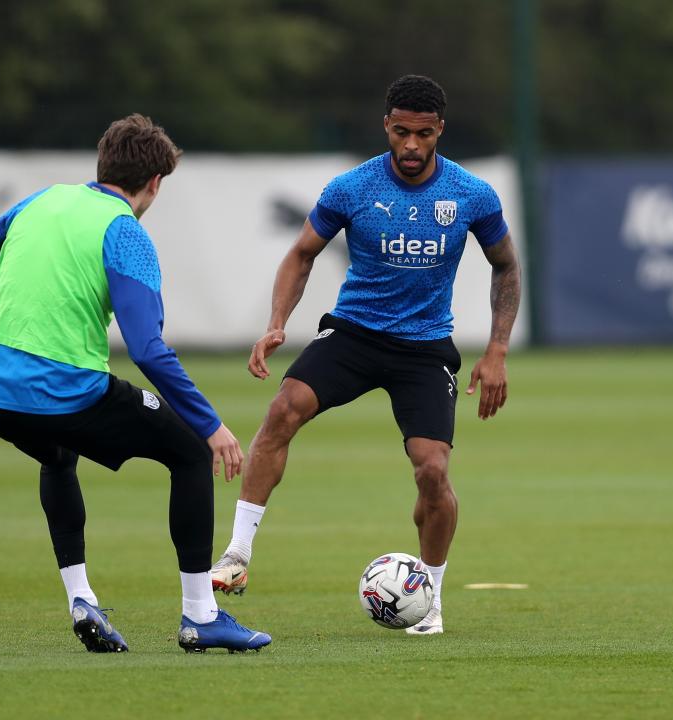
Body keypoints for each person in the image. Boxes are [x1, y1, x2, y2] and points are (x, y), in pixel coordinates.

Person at [0, 114, 270, 654]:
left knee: (57, 456)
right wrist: (211, 425)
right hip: (69, 393)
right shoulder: (125, 231)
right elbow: (147, 349)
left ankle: (81, 599)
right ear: (155, 183)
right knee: (189, 450)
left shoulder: (42, 201)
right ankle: (201, 616)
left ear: (102, 163)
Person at [211, 75, 521, 636]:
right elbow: (301, 254)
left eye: (423, 134)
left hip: (424, 347)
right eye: (400, 132)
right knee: (283, 410)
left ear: (439, 130)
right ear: (386, 126)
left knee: (433, 471)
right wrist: (277, 324)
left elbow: (506, 265)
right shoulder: (352, 188)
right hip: (354, 333)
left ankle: (430, 599)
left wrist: (497, 348)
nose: (411, 145)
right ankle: (237, 554)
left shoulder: (471, 194)